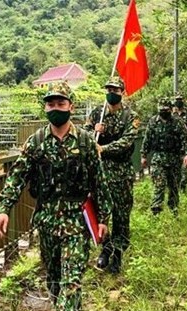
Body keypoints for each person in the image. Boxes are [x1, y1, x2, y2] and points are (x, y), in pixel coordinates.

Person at [0, 82, 112, 311]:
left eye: (60, 104)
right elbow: (17, 177)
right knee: (54, 277)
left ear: (71, 106)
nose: (55, 108)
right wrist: (4, 209)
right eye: (50, 104)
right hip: (46, 220)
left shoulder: (84, 142)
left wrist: (103, 218)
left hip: (76, 220)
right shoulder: (36, 142)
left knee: (72, 277)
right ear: (45, 107)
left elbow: (99, 183)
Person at [83, 77, 139, 274]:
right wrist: (93, 133)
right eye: (108, 89)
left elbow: (127, 141)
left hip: (121, 173)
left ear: (122, 92)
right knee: (101, 214)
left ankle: (118, 255)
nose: (111, 93)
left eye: (115, 90)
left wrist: (103, 148)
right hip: (101, 172)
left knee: (121, 216)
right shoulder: (98, 113)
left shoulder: (130, 116)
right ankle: (105, 250)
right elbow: (84, 134)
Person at [140, 98, 187, 216]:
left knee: (174, 186)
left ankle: (173, 209)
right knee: (159, 185)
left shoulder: (178, 122)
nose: (163, 111)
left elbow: (186, 139)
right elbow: (147, 139)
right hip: (158, 159)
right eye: (161, 109)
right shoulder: (153, 121)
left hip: (174, 159)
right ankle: (156, 212)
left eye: (166, 109)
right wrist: (143, 155)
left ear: (170, 109)